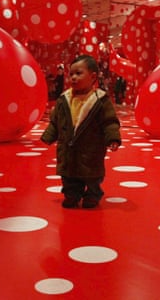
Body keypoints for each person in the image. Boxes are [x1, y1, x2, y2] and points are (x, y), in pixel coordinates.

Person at [41, 55, 122, 209]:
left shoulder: (100, 100)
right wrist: (49, 136)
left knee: (92, 176)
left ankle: (92, 195)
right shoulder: (64, 99)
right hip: (68, 149)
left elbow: (109, 121)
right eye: (71, 74)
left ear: (92, 77)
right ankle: (71, 195)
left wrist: (113, 138)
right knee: (69, 176)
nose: (73, 78)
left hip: (91, 149)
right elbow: (56, 121)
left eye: (78, 73)